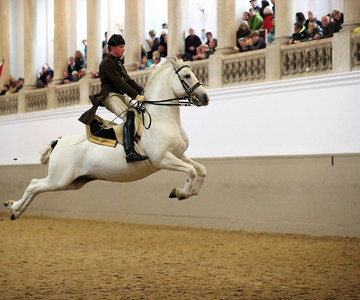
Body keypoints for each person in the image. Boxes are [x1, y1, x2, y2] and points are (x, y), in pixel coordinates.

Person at [79, 34, 148, 163]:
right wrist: (135, 96)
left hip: (121, 95)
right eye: (121, 47)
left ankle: (139, 143)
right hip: (110, 95)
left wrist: (143, 91)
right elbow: (118, 82)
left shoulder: (118, 63)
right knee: (128, 116)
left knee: (139, 112)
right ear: (112, 47)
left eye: (124, 47)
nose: (123, 49)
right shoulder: (107, 63)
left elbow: (129, 81)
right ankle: (129, 152)